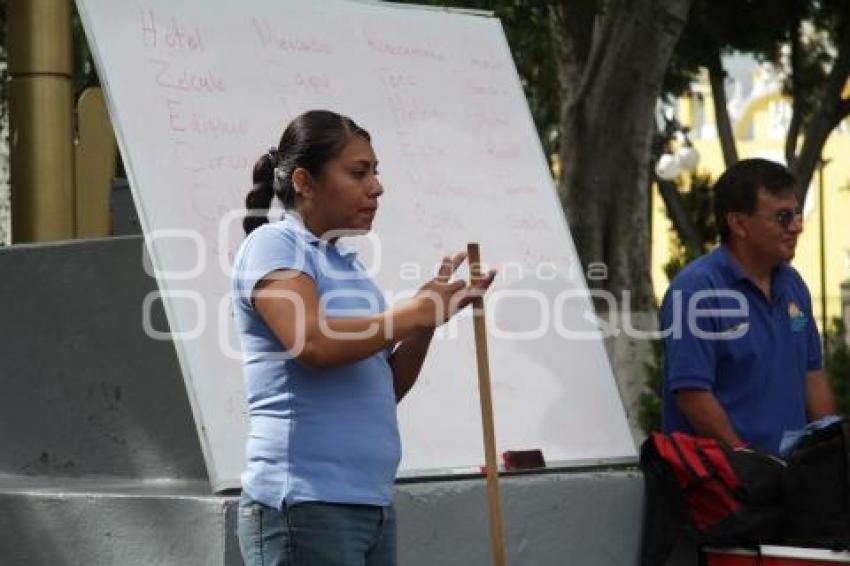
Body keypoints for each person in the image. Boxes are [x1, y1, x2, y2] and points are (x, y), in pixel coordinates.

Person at [231, 109, 495, 566]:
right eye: (359, 172)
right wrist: (410, 314)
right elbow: (313, 344)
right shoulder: (276, 245)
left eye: (375, 172)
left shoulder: (347, 265)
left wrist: (426, 319)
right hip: (305, 504)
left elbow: (385, 387)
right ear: (304, 181)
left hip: (366, 502)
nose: (376, 187)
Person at [661, 158, 836, 456]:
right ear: (739, 224)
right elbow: (693, 396)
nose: (797, 227)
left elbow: (812, 375)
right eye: (782, 217)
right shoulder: (695, 290)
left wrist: (832, 453)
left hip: (793, 481)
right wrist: (748, 463)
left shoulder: (793, 286)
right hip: (723, 490)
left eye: (797, 214)